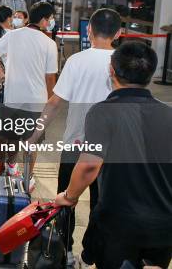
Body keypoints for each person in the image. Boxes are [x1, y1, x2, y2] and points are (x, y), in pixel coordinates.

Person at [54, 41, 172, 269]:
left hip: (121, 223)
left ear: (112, 70)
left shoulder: (103, 112)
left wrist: (69, 197)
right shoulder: (168, 114)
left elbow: (89, 166)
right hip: (164, 225)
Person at [29, 8, 120, 265]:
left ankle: (63, 251)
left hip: (76, 144)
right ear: (119, 33)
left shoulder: (77, 61)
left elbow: (55, 102)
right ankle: (94, 252)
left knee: (66, 198)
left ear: (88, 30)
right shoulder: (122, 63)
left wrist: (36, 133)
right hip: (110, 149)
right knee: (101, 205)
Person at [0, 2, 58, 189]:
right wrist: (51, 100)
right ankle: (28, 177)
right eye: (50, 18)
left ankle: (9, 166)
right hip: (36, 100)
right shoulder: (49, 44)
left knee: (11, 136)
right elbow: (50, 77)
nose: (51, 22)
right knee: (32, 140)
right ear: (43, 20)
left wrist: (1, 75)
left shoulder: (13, 35)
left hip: (13, 96)